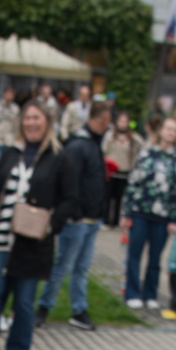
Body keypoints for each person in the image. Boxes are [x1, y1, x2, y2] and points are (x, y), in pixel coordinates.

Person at [0, 97, 62, 350]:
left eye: (36, 118)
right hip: (0, 239)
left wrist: (49, 224)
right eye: (27, 118)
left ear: (47, 122)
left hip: (32, 244)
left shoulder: (57, 158)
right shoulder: (11, 153)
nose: (31, 123)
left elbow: (70, 201)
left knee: (23, 302)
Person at [35, 98, 109, 330]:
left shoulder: (93, 145)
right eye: (106, 121)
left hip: (91, 218)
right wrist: (74, 213)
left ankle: (79, 310)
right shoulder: (78, 146)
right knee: (62, 266)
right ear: (101, 120)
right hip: (78, 219)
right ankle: (43, 308)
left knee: (81, 268)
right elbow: (70, 182)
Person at [122, 116, 176, 310]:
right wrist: (127, 213)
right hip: (140, 212)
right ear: (160, 131)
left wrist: (175, 219)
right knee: (134, 254)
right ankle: (132, 292)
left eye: (174, 130)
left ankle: (150, 293)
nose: (170, 133)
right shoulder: (146, 155)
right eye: (167, 128)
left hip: (163, 217)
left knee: (155, 258)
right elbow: (133, 182)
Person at [100, 110, 137, 229]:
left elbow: (141, 148)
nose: (123, 124)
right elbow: (103, 149)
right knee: (107, 196)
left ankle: (115, 222)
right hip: (110, 170)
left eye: (125, 121)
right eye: (121, 121)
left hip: (124, 170)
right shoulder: (110, 135)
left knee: (118, 198)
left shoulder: (133, 138)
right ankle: (105, 220)